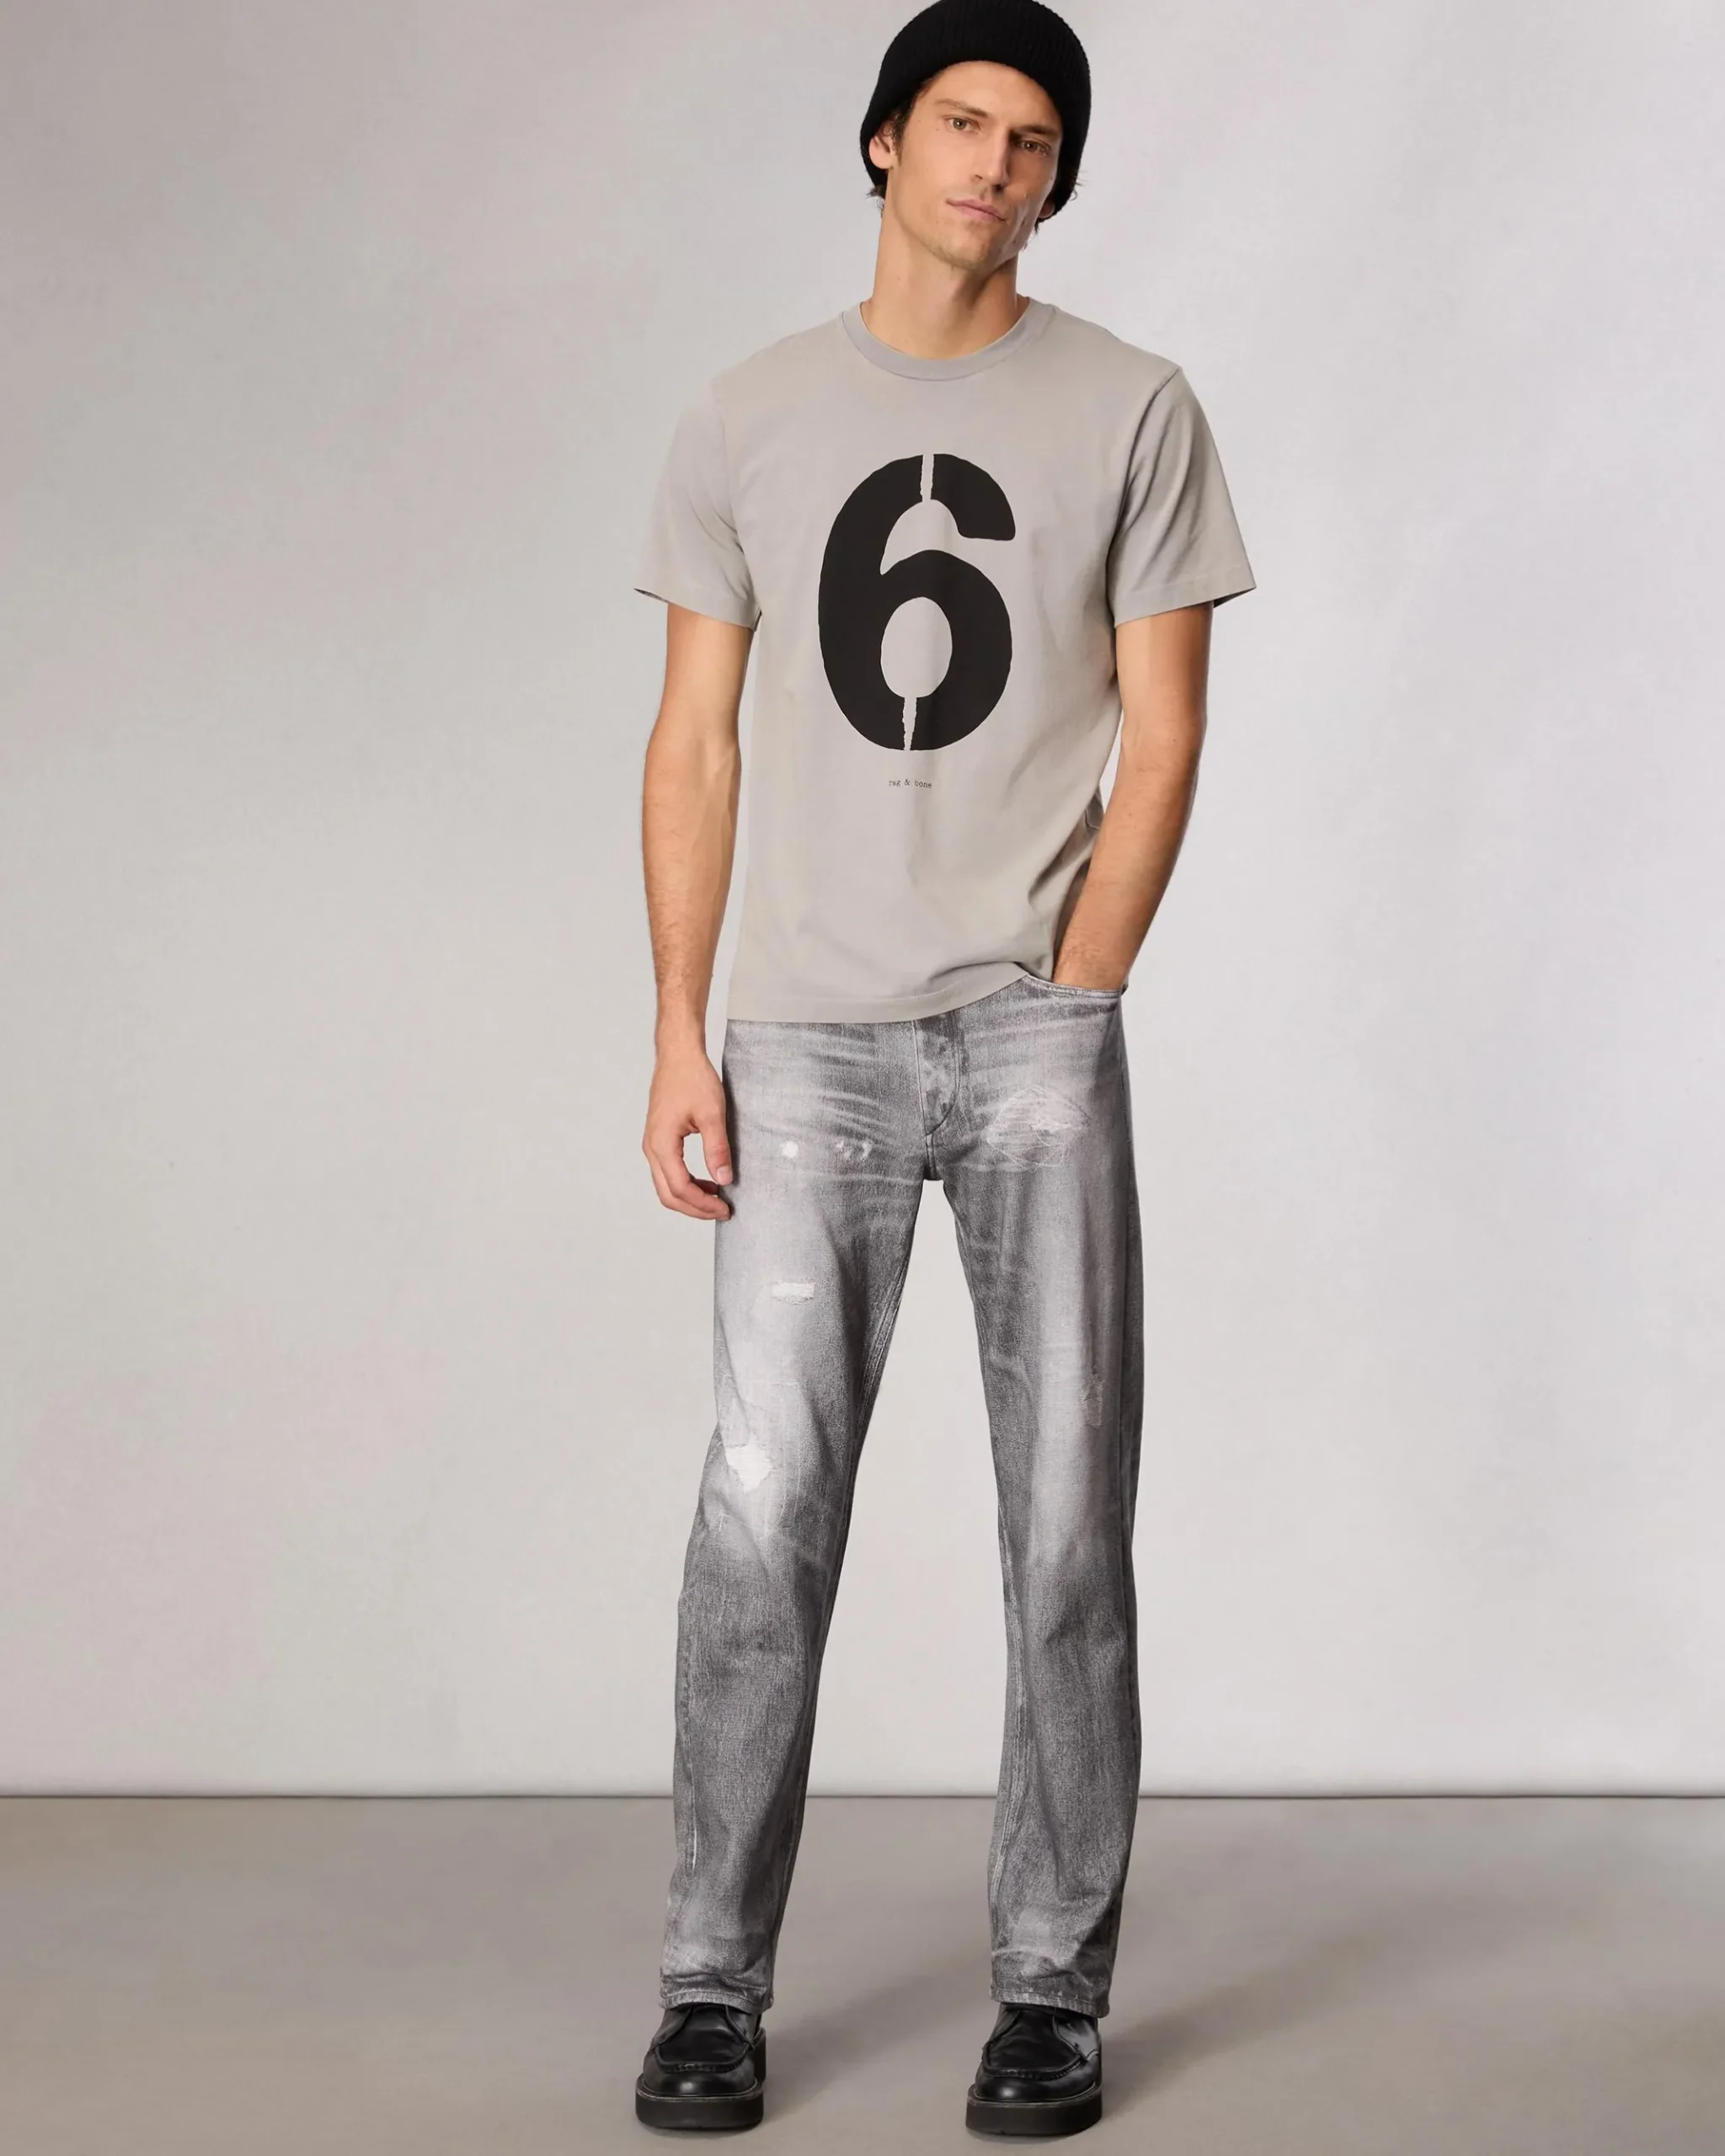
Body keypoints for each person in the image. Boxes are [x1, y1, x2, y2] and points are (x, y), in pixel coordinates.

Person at [628, 0, 1254, 2132]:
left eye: (1035, 137)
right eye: (963, 120)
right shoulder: (747, 413)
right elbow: (695, 739)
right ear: (884, 141)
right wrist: (678, 1026)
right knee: (760, 1512)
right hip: (800, 1035)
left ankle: (1051, 1987)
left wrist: (1079, 980)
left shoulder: (1135, 405)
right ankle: (708, 1984)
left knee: (1069, 1523)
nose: (996, 161)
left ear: (1056, 180)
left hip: (1028, 1030)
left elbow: (1164, 729)